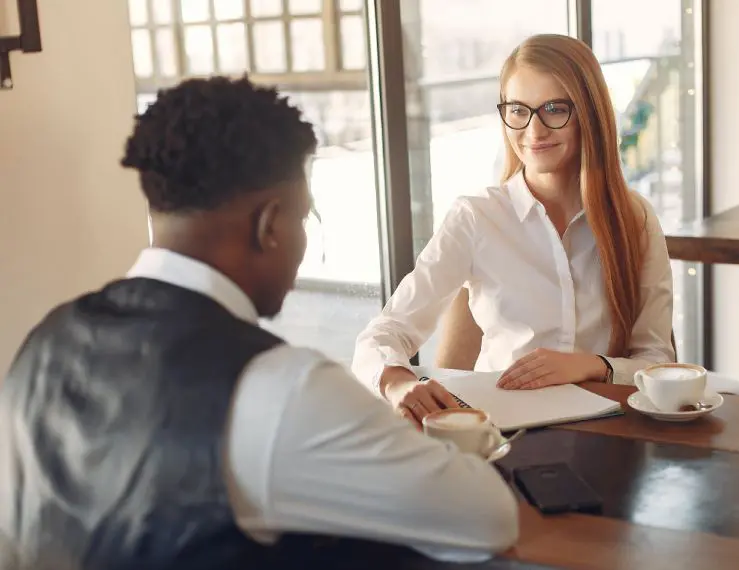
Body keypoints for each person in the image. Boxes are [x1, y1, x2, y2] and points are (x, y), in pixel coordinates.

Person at [0, 77, 518, 570]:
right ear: (270, 224)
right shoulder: (280, 386)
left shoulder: (43, 342)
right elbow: (489, 517)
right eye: (304, 218)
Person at [352, 34, 675, 427]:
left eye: (554, 109)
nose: (534, 130)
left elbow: (658, 362)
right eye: (518, 110)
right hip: (503, 434)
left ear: (589, 113)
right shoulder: (476, 218)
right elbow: (384, 334)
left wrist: (589, 366)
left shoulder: (635, 219)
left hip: (612, 432)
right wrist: (398, 382)